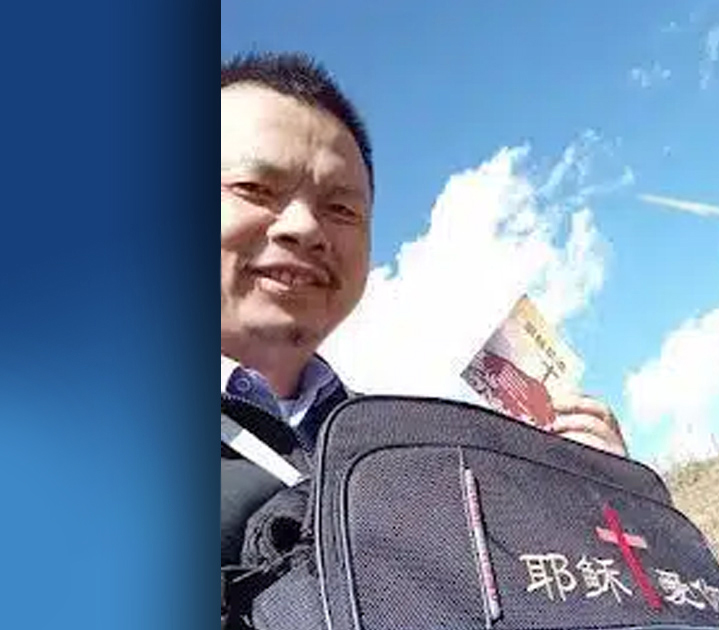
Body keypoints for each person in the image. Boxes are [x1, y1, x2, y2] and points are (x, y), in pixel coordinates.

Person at [220, 52, 627, 561]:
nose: (305, 228)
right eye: (253, 188)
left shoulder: (406, 448)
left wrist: (604, 495)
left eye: (341, 208)